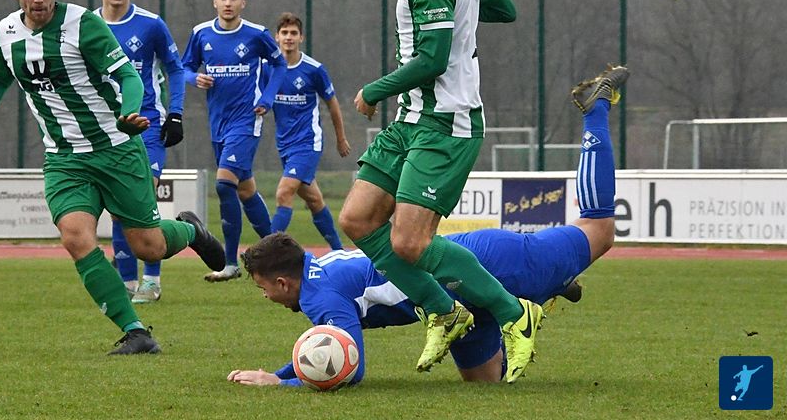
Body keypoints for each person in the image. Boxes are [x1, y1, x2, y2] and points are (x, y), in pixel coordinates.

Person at [228, 65, 629, 387]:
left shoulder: (320, 298)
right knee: (484, 382)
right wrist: (281, 373)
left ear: (283, 282)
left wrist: (279, 382)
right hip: (463, 303)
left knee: (598, 228)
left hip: (489, 264)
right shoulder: (322, 269)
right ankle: (548, 285)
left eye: (263, 288)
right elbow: (325, 351)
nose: (265, 296)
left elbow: (347, 365)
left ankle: (595, 111)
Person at [0, 0, 226, 355]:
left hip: (116, 149)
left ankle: (190, 231)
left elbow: (127, 75)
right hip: (65, 159)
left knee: (148, 246)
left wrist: (129, 112)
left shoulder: (83, 24)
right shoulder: (7, 32)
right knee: (76, 238)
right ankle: (136, 332)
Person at [343, 0, 536, 379]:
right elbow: (504, 8)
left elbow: (431, 60)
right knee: (357, 219)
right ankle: (444, 311)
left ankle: (515, 313)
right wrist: (460, 12)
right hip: (411, 120)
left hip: (444, 124)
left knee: (409, 242)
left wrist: (373, 90)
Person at [181, 0, 288, 282]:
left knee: (224, 184)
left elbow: (279, 65)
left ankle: (229, 263)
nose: (228, 3)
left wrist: (267, 98)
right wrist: (194, 78)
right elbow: (184, 68)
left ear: (243, 2)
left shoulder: (256, 34)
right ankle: (282, 255)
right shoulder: (201, 33)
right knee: (245, 189)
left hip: (247, 120)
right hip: (218, 123)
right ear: (214, 2)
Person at [95, 0, 185, 304]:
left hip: (147, 124)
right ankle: (128, 282)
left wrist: (176, 113)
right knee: (118, 206)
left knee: (141, 196)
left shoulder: (151, 25)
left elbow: (175, 69)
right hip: (106, 129)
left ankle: (152, 279)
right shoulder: (87, 26)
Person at [268, 12, 350, 250]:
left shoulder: (314, 70)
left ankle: (267, 252)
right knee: (314, 200)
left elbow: (332, 104)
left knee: (284, 193)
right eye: (284, 33)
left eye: (294, 33)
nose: (289, 37)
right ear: (277, 37)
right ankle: (339, 251)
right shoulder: (269, 69)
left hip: (307, 142)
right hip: (284, 144)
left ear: (301, 38)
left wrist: (341, 138)